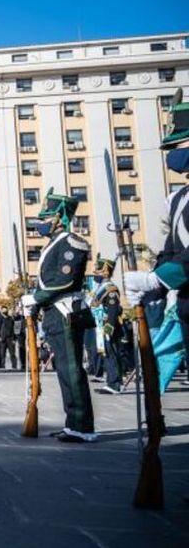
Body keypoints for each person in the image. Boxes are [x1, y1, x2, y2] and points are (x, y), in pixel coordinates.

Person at [125, 89, 189, 394]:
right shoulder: (178, 198)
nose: (172, 154)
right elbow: (171, 250)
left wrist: (160, 279)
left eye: (179, 145)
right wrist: (151, 282)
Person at [21, 188, 96, 443]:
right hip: (54, 312)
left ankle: (81, 425)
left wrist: (37, 298)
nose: (41, 223)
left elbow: (64, 280)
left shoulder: (71, 242)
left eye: (46, 218)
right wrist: (35, 301)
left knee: (71, 370)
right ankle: (73, 423)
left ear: (60, 217)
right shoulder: (55, 243)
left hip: (66, 312)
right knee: (64, 370)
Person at [88, 255, 125, 395]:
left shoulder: (110, 289)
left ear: (105, 272)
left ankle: (114, 384)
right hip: (100, 326)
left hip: (108, 326)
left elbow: (113, 309)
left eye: (98, 271)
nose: (95, 274)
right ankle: (112, 381)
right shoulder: (100, 288)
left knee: (111, 353)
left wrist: (109, 327)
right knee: (107, 353)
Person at [0, 306, 18, 370]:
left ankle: (14, 366)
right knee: (2, 353)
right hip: (2, 338)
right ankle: (2, 365)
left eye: (6, 310)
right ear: (1, 311)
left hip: (10, 338)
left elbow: (14, 329)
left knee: (12, 353)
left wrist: (14, 338)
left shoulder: (11, 319)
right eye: (3, 310)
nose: (5, 312)